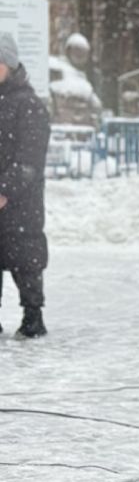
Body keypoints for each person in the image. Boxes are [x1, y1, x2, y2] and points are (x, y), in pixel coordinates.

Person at [0, 32, 50, 340]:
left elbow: (30, 159)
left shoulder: (28, 105)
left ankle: (33, 316)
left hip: (21, 203)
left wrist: (5, 190)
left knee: (25, 260)